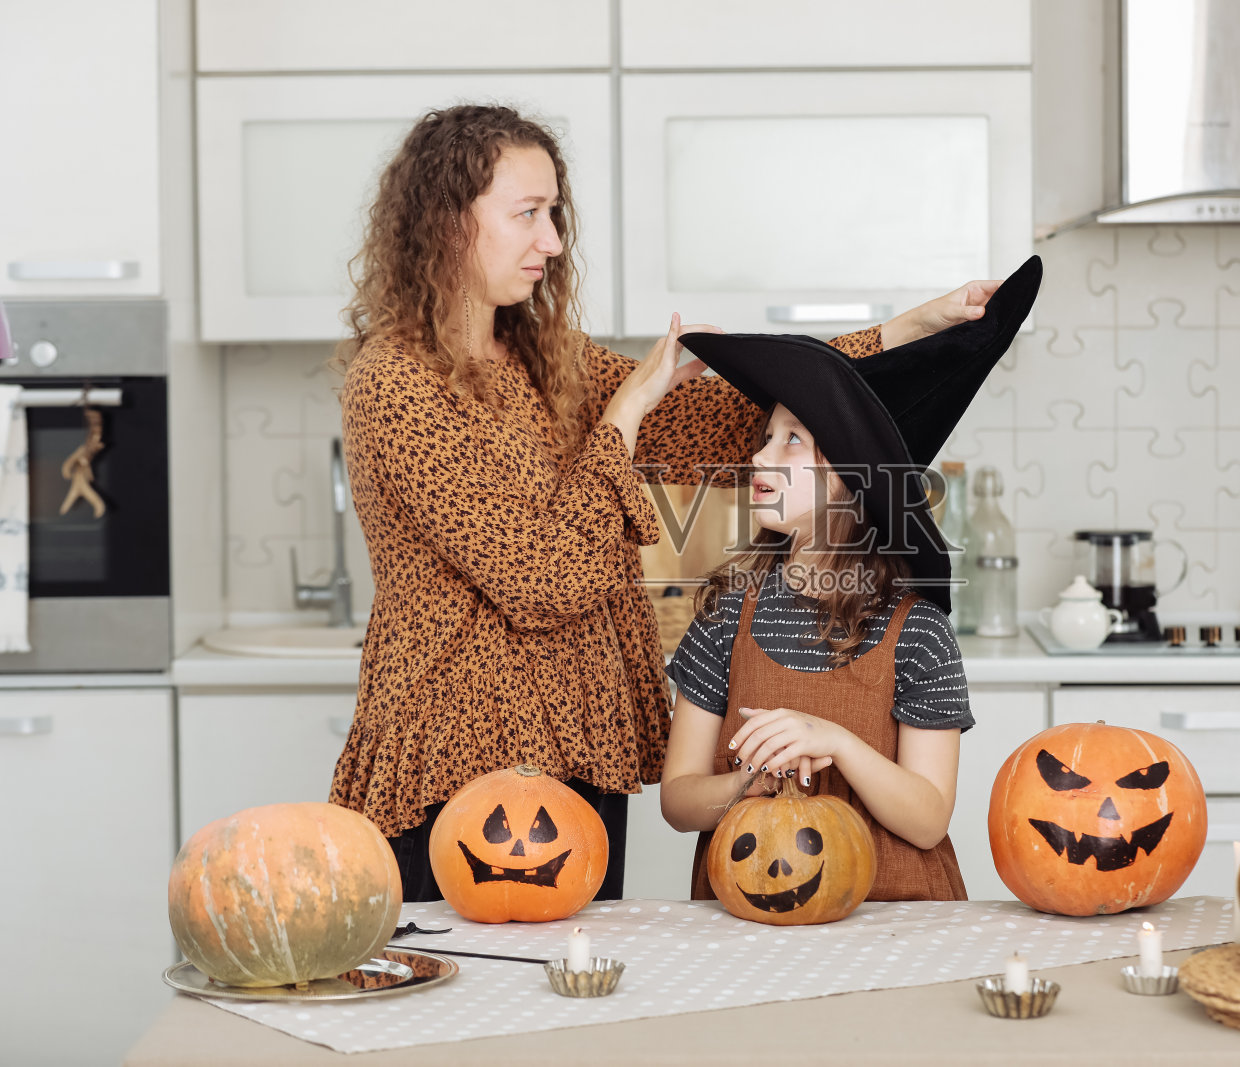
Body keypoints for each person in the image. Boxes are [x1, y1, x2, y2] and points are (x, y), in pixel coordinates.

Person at [329, 102, 1006, 901]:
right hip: (455, 749)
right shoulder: (397, 384)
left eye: (555, 214)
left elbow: (718, 418)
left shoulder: (543, 357)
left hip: (575, 739)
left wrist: (909, 329)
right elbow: (543, 578)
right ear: (447, 222)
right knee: (459, 1002)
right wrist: (624, 415)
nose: (551, 240)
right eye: (527, 215)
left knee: (573, 1004)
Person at [659, 257, 1043, 902]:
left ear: (851, 476)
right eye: (765, 437)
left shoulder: (917, 630)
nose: (757, 455)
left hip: (896, 924)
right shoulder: (728, 615)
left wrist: (835, 742)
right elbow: (678, 799)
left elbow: (927, 819)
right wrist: (742, 785)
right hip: (755, 921)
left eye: (791, 441)